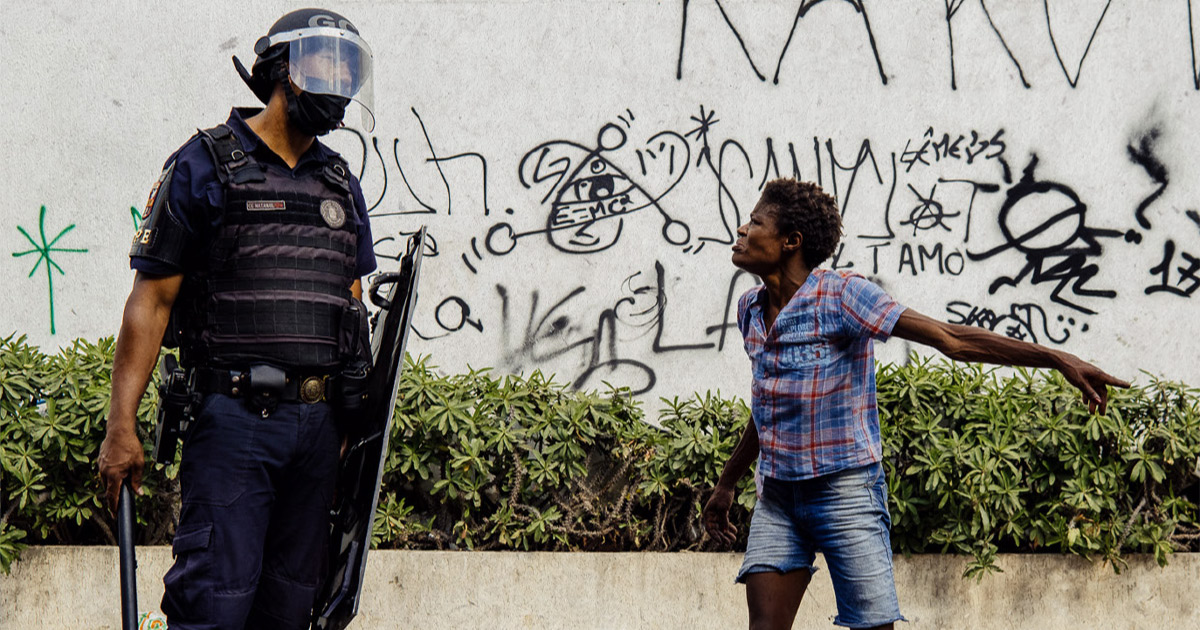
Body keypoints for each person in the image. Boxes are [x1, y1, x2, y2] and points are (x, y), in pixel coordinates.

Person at [702, 179, 1129, 630]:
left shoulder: (843, 295)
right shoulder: (751, 308)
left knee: (874, 627)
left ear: (791, 241)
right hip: (779, 498)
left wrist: (1054, 358)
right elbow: (769, 405)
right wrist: (728, 482)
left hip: (845, 491)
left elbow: (952, 340)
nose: (743, 229)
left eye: (755, 222)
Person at [97, 9, 377, 629]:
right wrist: (122, 427)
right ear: (282, 70)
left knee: (291, 609)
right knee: (213, 608)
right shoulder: (204, 164)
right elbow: (151, 302)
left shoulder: (339, 181)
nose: (338, 82)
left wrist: (347, 428)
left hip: (317, 433)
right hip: (235, 424)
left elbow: (350, 305)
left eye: (347, 69)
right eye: (324, 64)